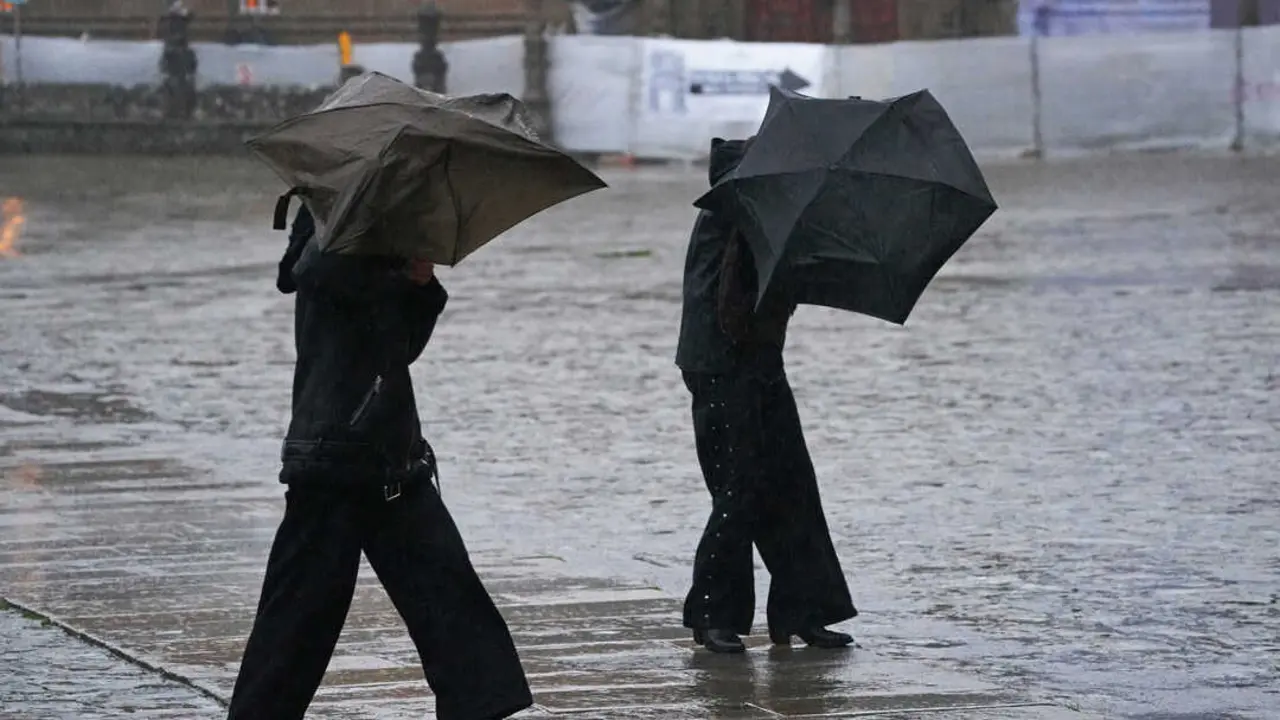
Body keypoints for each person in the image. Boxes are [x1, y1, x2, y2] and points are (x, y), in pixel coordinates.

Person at [227, 204, 533, 720]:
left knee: (449, 595)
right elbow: (321, 274)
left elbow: (398, 347)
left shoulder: (375, 224)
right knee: (298, 617)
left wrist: (419, 285)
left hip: (388, 455)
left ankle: (480, 708)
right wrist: (398, 275)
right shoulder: (337, 221)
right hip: (336, 457)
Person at [674, 137, 858, 654]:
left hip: (759, 360)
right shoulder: (731, 214)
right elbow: (734, 304)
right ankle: (713, 614)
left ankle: (803, 610)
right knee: (740, 489)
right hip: (721, 365)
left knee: (793, 482)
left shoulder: (765, 218)